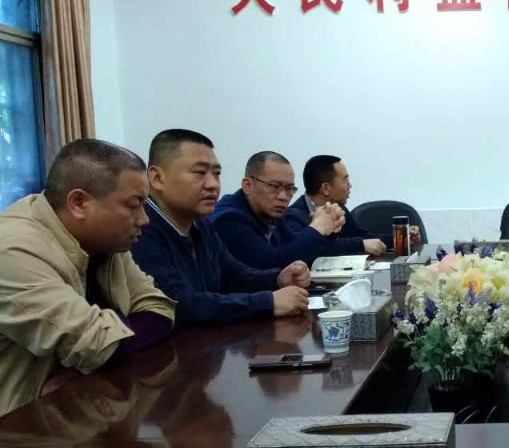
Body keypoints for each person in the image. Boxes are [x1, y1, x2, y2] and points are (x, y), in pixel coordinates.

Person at [0, 139, 175, 416]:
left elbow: (160, 309)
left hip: (83, 410)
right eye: (134, 205)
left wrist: (94, 359)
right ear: (79, 203)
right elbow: (97, 345)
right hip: (19, 429)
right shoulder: (12, 249)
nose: (144, 219)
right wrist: (106, 347)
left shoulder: (104, 240)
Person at [131, 130, 310, 326]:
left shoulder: (200, 223)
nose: (213, 184)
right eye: (200, 173)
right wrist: (267, 302)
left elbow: (233, 274)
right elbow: (175, 304)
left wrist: (277, 279)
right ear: (157, 178)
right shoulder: (139, 228)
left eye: (216, 174)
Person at [209, 151, 344, 268]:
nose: (283, 197)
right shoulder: (228, 219)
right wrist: (317, 229)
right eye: (274, 186)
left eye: (289, 188)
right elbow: (272, 262)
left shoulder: (270, 212)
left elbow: (294, 247)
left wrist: (329, 227)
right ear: (247, 185)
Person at [281, 155, 418, 258]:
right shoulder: (293, 217)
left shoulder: (338, 208)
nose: (350, 186)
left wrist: (400, 238)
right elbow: (310, 250)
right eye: (345, 180)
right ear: (326, 188)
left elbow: (362, 236)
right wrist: (360, 245)